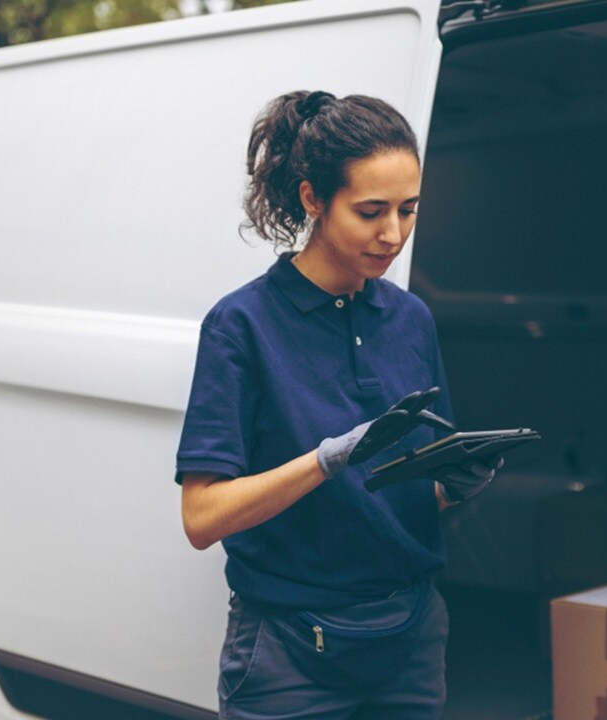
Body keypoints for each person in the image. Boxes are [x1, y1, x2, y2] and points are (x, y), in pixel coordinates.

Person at [175, 90, 498, 720]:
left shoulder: (411, 319)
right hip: (290, 648)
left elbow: (405, 494)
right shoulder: (242, 325)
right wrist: (325, 461)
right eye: (371, 211)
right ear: (312, 199)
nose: (393, 233)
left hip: (411, 636)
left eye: (408, 209)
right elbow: (201, 518)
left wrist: (453, 485)